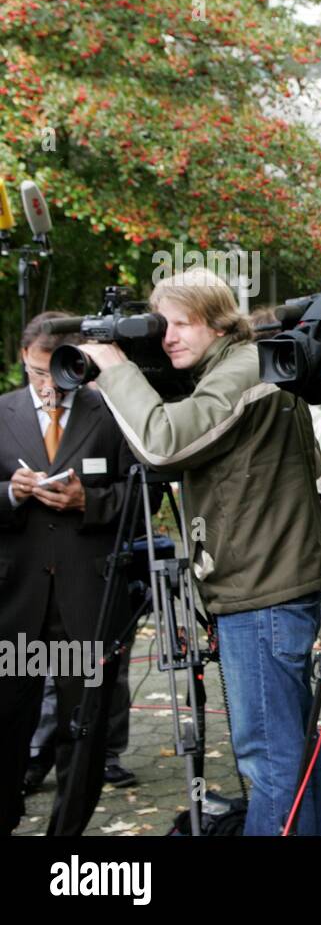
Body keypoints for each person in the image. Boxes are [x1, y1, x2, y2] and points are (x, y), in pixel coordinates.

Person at [79, 269, 321, 835]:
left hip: (260, 591)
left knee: (269, 760)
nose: (167, 335)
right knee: (292, 754)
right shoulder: (239, 365)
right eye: (159, 324)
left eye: (179, 323)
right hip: (267, 584)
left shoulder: (243, 371)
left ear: (219, 322)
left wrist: (117, 369)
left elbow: (164, 443)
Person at [0, 312, 138, 834]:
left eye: (56, 374)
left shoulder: (111, 412)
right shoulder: (2, 413)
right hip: (16, 601)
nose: (47, 387)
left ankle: (67, 837)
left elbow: (142, 492)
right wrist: (10, 493)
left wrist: (92, 501)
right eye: (37, 373)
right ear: (24, 360)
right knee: (9, 720)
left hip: (86, 599)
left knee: (84, 731)